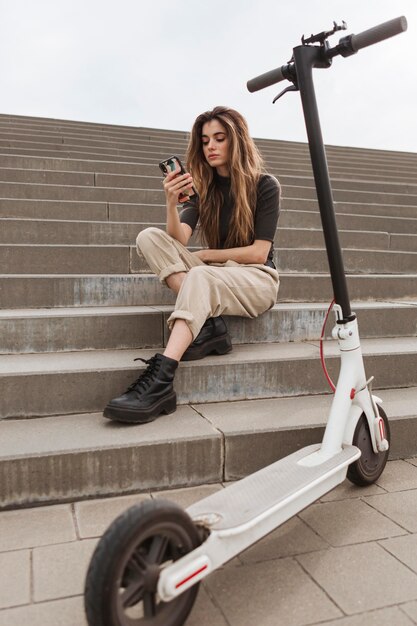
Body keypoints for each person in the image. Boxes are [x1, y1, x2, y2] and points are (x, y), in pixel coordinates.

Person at [103, 106, 281, 424]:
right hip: (215, 276)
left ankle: (161, 380)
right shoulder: (202, 191)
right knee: (149, 237)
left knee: (199, 273)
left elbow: (258, 253)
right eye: (204, 140)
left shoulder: (265, 186)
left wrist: (208, 255)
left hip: (257, 279)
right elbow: (178, 240)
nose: (210, 146)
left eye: (219, 138)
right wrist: (172, 204)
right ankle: (209, 325)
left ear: (236, 140)